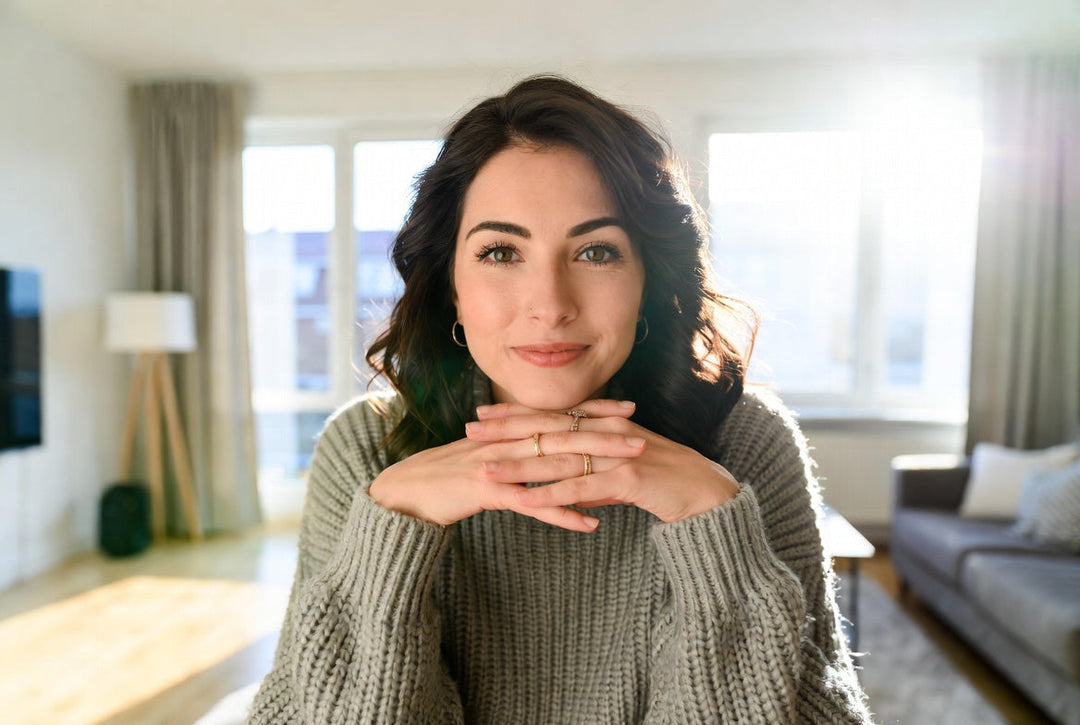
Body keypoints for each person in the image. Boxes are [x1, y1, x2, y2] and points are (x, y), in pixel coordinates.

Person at [248, 75, 874, 724]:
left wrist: (711, 524)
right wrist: (389, 537)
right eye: (500, 251)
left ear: (647, 283)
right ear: (452, 287)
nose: (550, 304)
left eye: (596, 251)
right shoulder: (365, 452)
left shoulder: (746, 444)